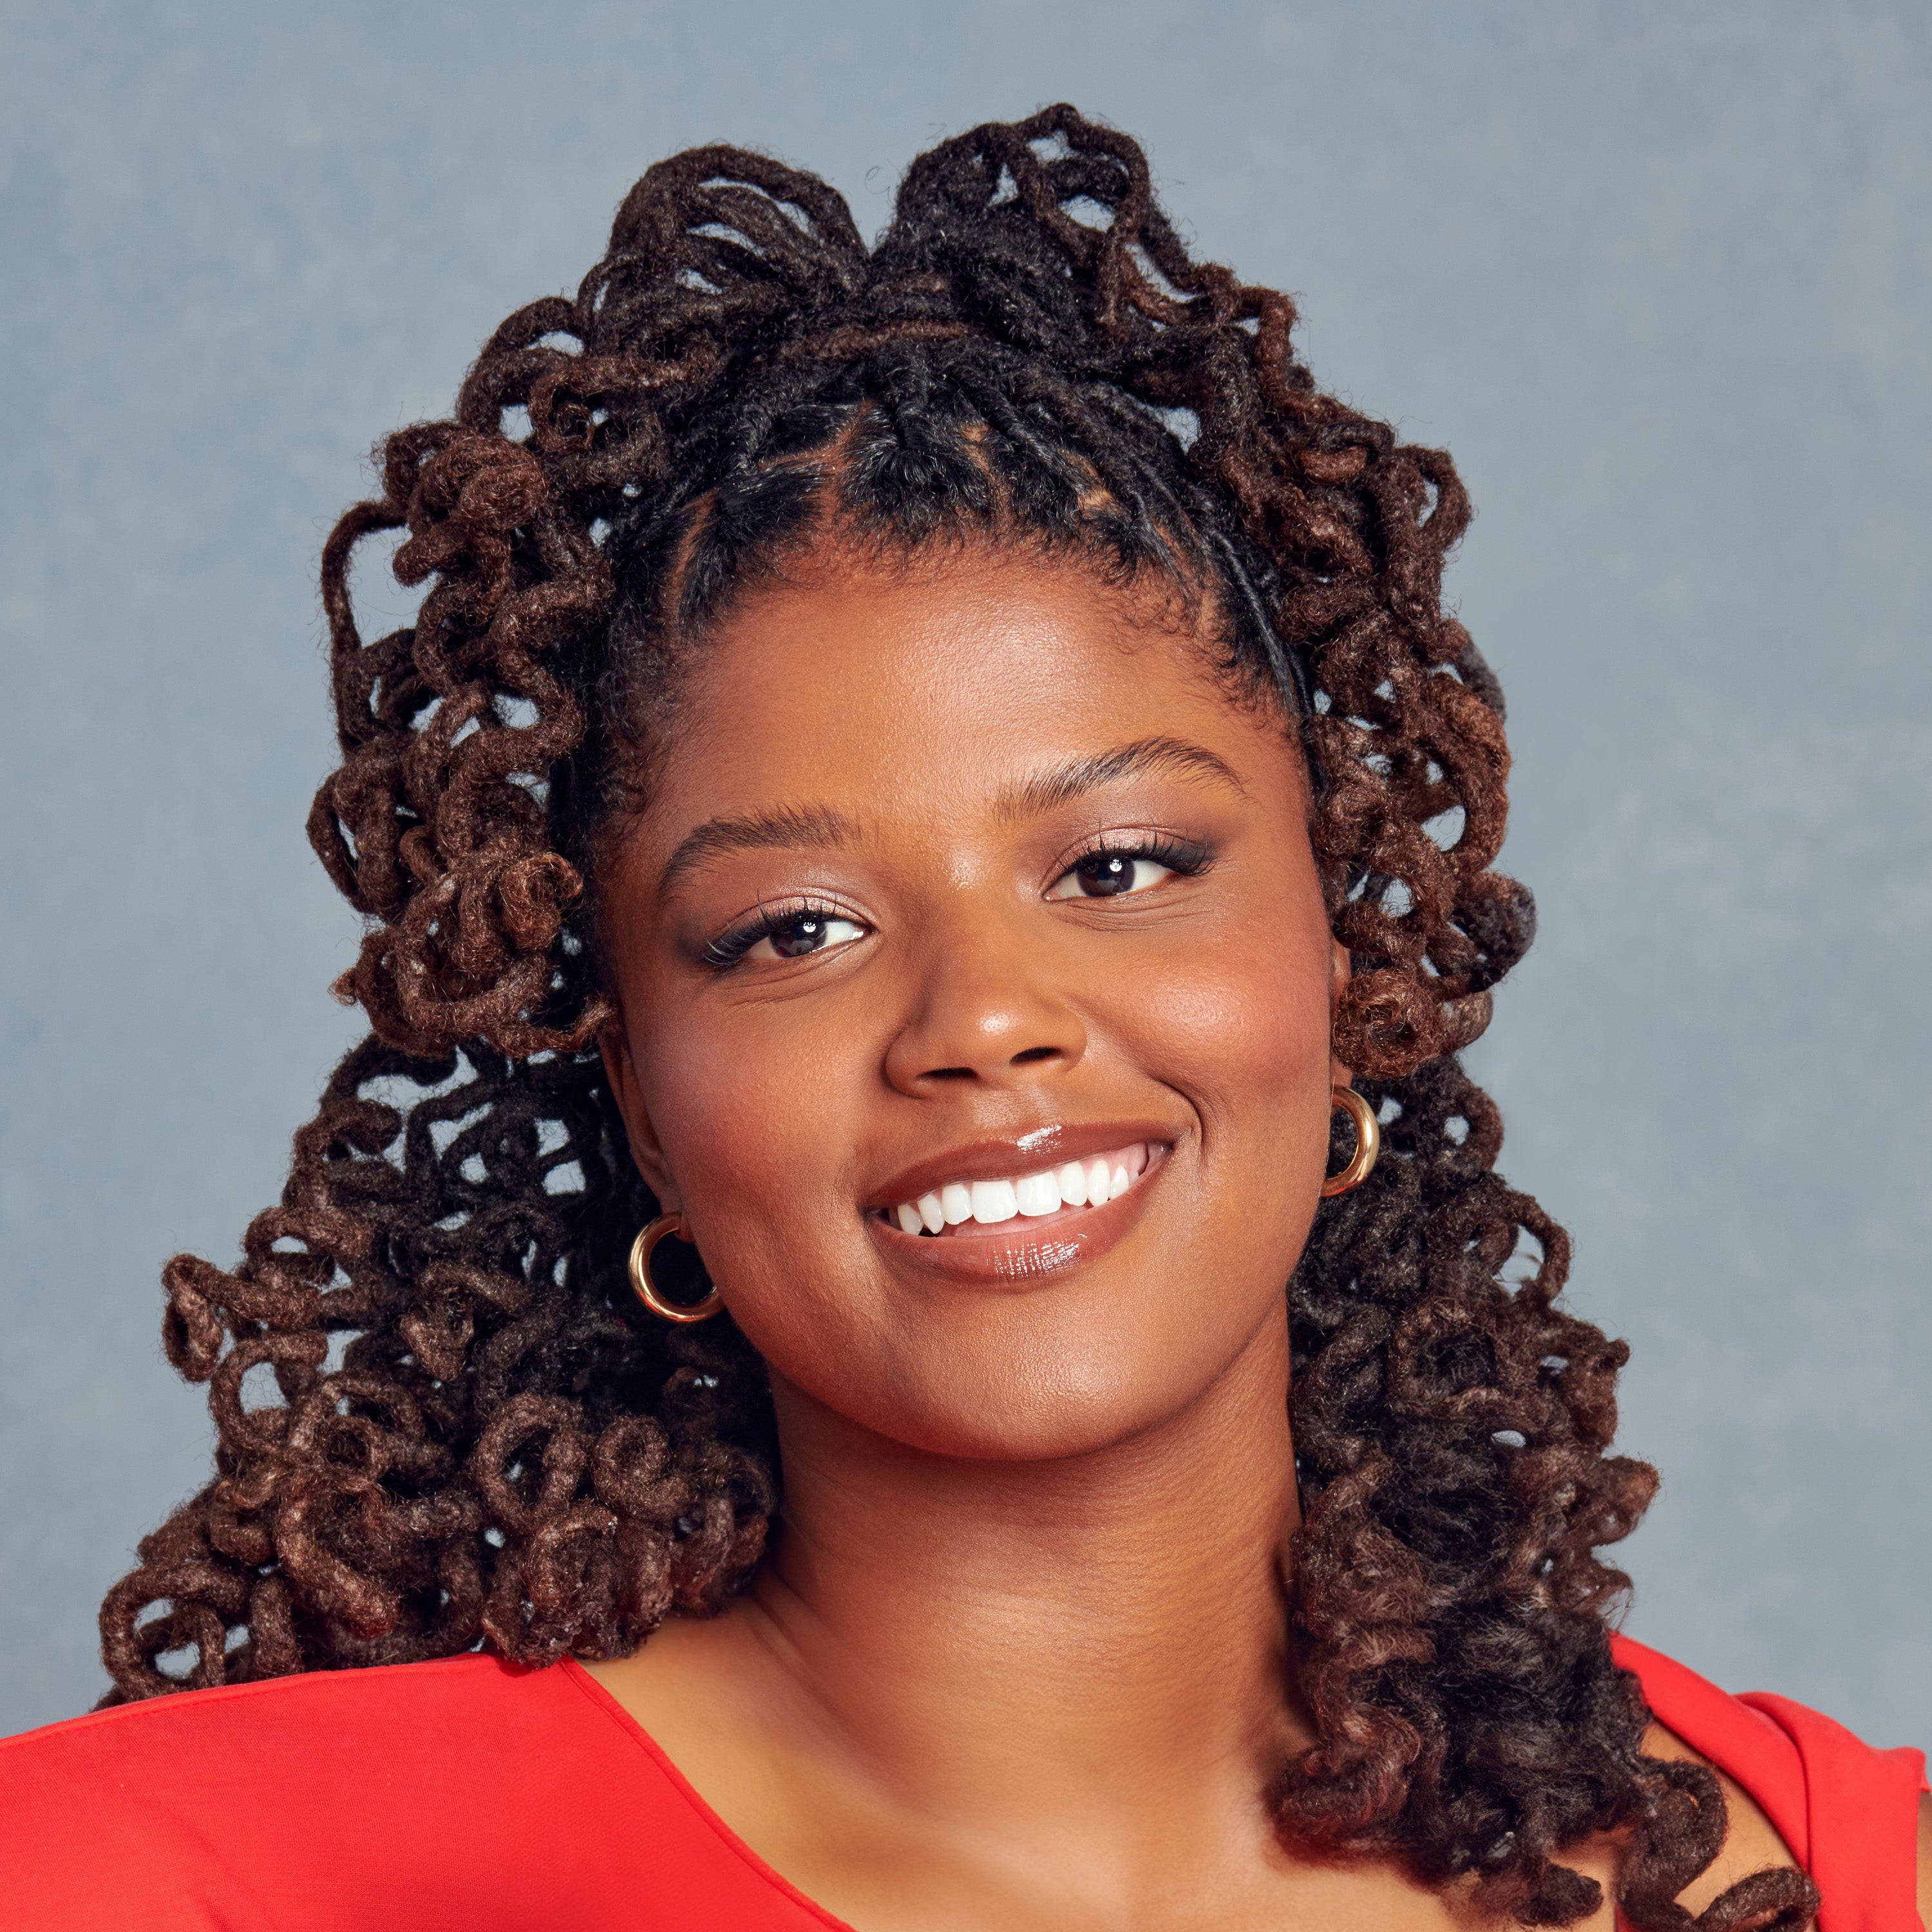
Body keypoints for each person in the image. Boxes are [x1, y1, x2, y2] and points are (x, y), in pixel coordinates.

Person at [1, 106, 1922, 1931]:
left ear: (1345, 950)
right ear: (641, 1099)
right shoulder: (157, 1884)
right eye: (796, 928)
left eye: (1121, 865)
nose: (987, 1020)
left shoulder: (1825, 1874)